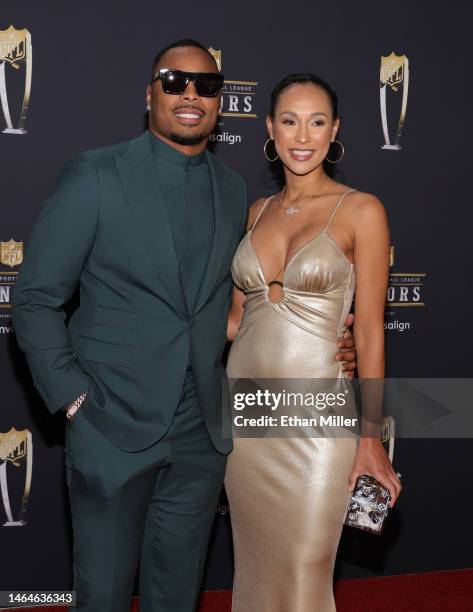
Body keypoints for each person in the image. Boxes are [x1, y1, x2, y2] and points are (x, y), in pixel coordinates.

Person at [11, 41, 357, 612]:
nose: (190, 95)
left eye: (206, 85)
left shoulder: (233, 191)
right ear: (149, 94)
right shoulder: (95, 174)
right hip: (110, 425)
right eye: (174, 82)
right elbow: (35, 298)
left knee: (177, 596)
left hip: (202, 435)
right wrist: (72, 398)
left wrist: (327, 338)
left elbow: (234, 308)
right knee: (102, 595)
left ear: (222, 103)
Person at [225, 73, 402, 612]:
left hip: (320, 421)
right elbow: (234, 321)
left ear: (335, 131)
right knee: (253, 571)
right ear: (270, 130)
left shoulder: (362, 210)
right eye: (290, 120)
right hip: (248, 415)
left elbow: (369, 329)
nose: (303, 135)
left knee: (305, 570)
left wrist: (369, 438)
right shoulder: (254, 214)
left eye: (317, 121)